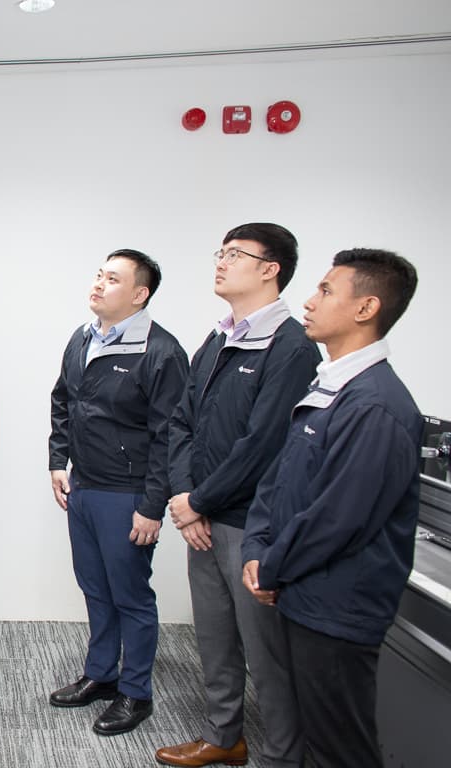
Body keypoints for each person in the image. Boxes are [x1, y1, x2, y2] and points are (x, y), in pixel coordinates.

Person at [241, 249, 421, 768]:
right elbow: (277, 480)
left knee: (340, 746)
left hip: (338, 608)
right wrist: (257, 546)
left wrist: (270, 566)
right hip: (303, 593)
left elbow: (339, 518)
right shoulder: (331, 386)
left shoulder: (376, 405)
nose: (309, 300)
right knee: (314, 734)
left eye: (325, 290)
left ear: (365, 308)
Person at [155, 224, 321, 768]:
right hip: (200, 516)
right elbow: (182, 422)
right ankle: (224, 738)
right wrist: (185, 498)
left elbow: (264, 443)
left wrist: (198, 501)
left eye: (234, 254)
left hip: (250, 524)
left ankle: (281, 756)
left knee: (266, 654)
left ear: (270, 268)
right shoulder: (219, 337)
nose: (220, 263)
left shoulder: (291, 345)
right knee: (215, 638)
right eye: (220, 253)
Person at [47, 249, 188, 735]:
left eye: (112, 278)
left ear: (139, 294)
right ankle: (101, 675)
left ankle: (135, 693)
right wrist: (57, 461)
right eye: (99, 274)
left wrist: (153, 507)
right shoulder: (82, 338)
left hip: (127, 494)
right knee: (95, 590)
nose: (98, 284)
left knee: (130, 596)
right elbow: (63, 399)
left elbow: (171, 434)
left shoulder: (161, 351)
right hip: (83, 487)